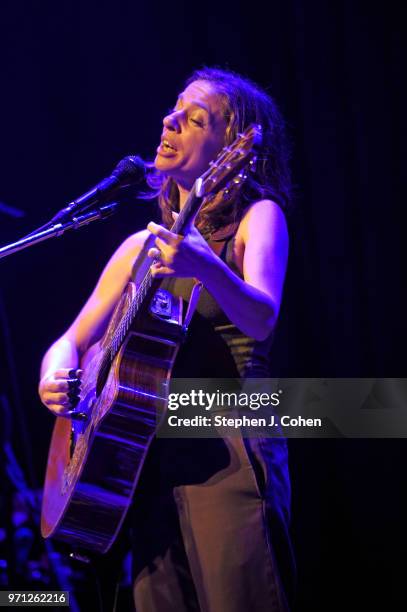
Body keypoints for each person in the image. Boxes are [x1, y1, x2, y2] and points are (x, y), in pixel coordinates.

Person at [38, 67, 296, 611]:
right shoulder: (140, 246)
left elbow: (262, 317)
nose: (169, 120)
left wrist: (207, 266)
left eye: (194, 117)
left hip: (227, 449)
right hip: (142, 465)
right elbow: (70, 340)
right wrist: (55, 373)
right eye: (174, 109)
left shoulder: (257, 217)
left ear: (232, 146)